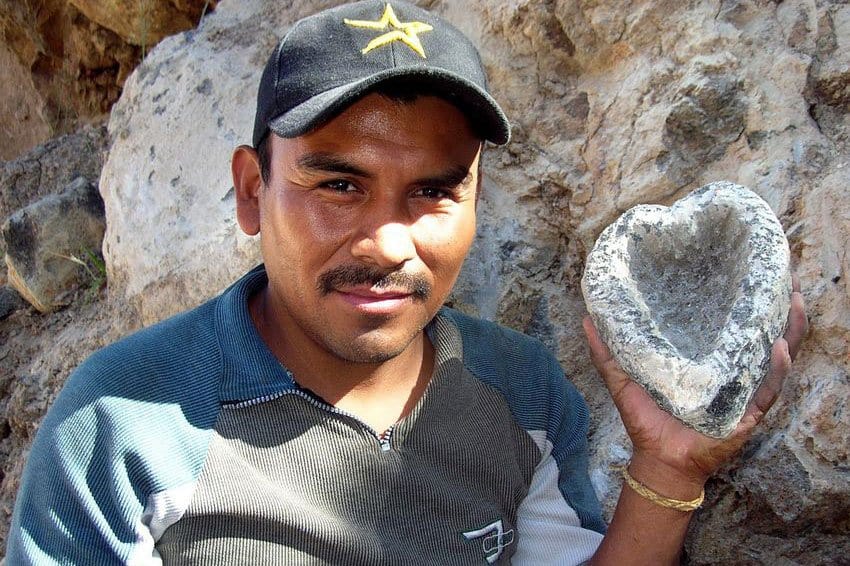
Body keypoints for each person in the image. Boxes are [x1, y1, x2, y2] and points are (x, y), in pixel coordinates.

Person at [7, 1, 807, 564]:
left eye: (433, 190)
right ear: (253, 192)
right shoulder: (123, 426)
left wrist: (667, 473)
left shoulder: (519, 393)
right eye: (338, 185)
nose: (388, 242)